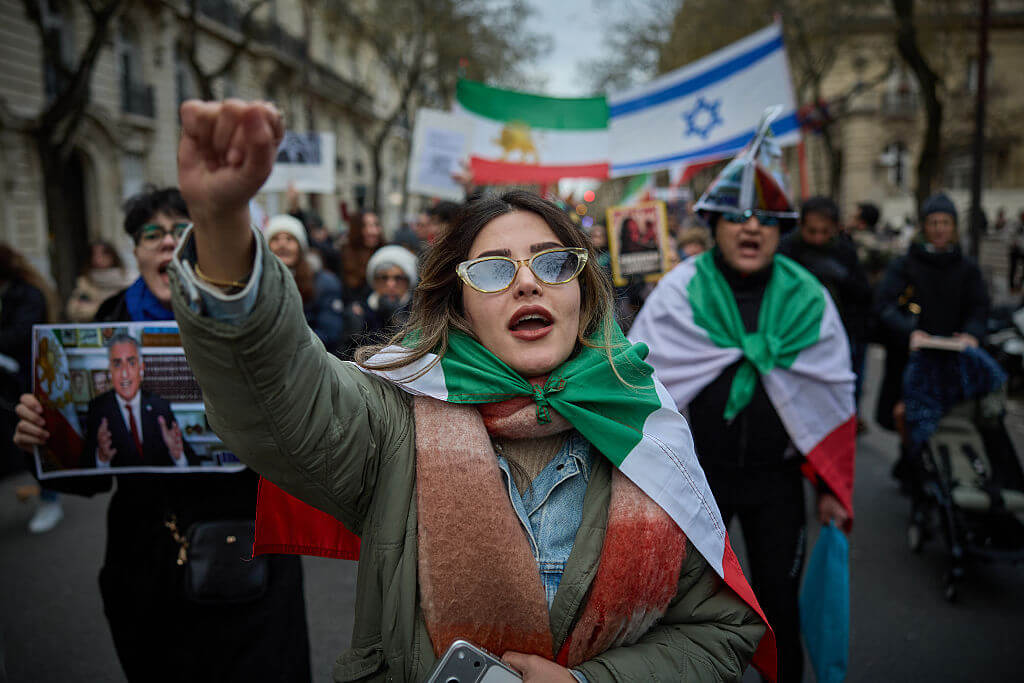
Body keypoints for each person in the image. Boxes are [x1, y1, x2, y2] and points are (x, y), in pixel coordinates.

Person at [168, 99, 773, 682]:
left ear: (583, 293)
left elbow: (717, 633)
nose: (529, 283)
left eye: (554, 263)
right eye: (493, 269)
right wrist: (222, 225)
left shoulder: (644, 423)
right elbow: (277, 390)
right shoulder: (396, 416)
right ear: (459, 307)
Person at [12, 186, 311, 683]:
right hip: (146, 565)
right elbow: (87, 477)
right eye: (152, 234)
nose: (167, 242)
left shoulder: (253, 318)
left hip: (245, 554)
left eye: (180, 230)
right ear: (136, 250)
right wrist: (43, 440)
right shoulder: (104, 327)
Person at [630, 114, 856, 683]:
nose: (750, 227)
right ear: (713, 226)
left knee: (778, 603)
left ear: (781, 230)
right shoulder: (679, 292)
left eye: (765, 218)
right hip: (698, 481)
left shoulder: (810, 298)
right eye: (735, 216)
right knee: (682, 607)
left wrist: (832, 485)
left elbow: (831, 394)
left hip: (778, 483)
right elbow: (636, 385)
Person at [874, 193, 989, 481]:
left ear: (954, 227)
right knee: (907, 414)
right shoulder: (905, 264)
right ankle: (912, 465)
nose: (939, 228)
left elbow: (979, 307)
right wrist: (909, 332)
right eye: (933, 222)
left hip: (954, 356)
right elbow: (885, 304)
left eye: (945, 222)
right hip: (909, 356)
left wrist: (972, 335)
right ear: (925, 226)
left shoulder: (967, 268)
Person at [779, 196, 872, 426]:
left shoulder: (845, 251)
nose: (818, 238)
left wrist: (842, 278)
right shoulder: (786, 249)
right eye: (812, 231)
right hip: (796, 334)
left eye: (825, 231)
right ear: (801, 226)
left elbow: (864, 294)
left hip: (841, 332)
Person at [0, 243, 63, 532]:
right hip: (10, 382)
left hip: (27, 380)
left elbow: (22, 335)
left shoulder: (26, 293)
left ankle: (51, 500)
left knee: (39, 441)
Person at [80, 333, 197, 469]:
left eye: (131, 363)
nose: (124, 373)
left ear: (141, 369)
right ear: (110, 371)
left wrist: (178, 456)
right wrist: (101, 459)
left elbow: (193, 463)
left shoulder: (160, 407)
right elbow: (84, 468)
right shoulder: (98, 409)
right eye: (117, 364)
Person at [265, 214, 346, 354]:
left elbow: (329, 333)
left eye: (289, 239)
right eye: (276, 239)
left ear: (301, 247)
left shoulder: (324, 283)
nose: (282, 245)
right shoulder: (258, 284)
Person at [66, 241, 133, 322]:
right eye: (94, 254)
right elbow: (73, 310)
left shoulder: (128, 280)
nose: (98, 258)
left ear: (112, 255)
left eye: (104, 253)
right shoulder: (85, 282)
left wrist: (95, 306)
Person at [338, 210, 383, 304]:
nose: (374, 231)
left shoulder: (385, 253)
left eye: (376, 225)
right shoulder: (343, 255)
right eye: (367, 226)